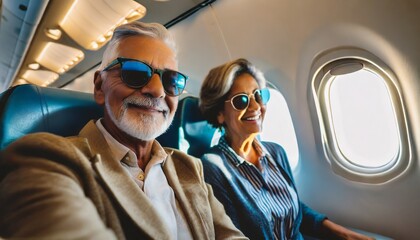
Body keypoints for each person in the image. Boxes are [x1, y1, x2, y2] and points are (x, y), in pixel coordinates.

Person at [0, 22, 247, 240]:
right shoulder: (49, 158)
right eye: (135, 73)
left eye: (171, 80)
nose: (157, 90)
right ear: (99, 86)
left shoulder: (190, 167)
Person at [199, 58, 375, 240]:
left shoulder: (276, 153)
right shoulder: (212, 168)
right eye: (241, 100)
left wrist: (345, 234)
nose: (255, 107)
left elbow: (294, 211)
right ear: (219, 113)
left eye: (259, 96)